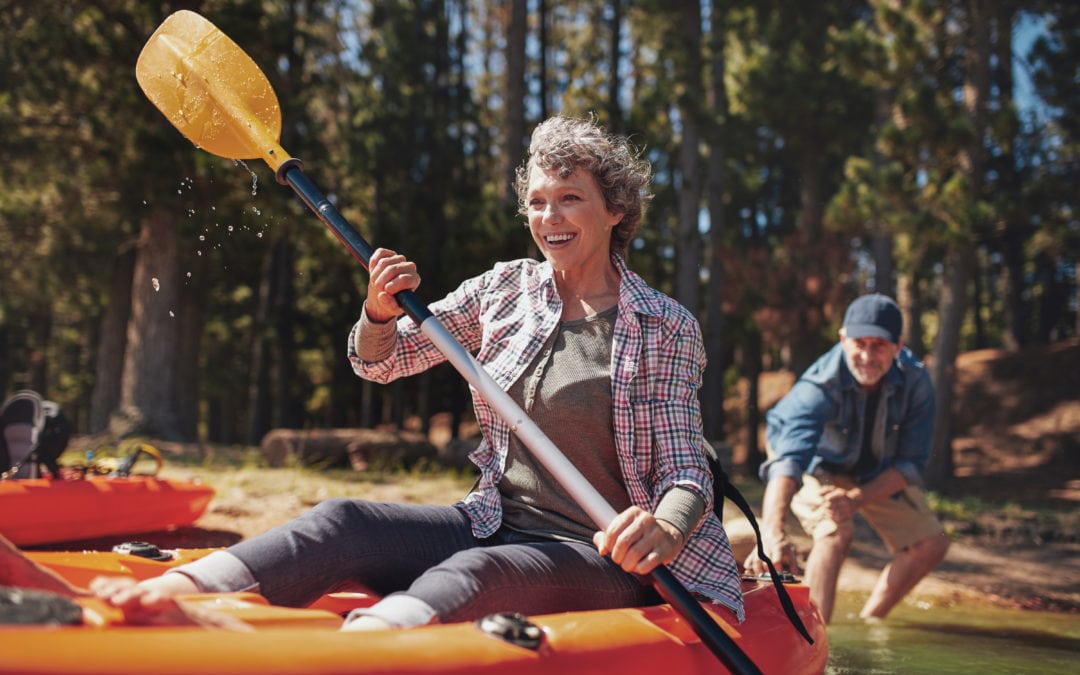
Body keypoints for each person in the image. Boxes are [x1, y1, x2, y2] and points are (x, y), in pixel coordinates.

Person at [3, 115, 743, 629]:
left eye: (570, 198)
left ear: (616, 207)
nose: (549, 218)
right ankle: (160, 597)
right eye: (537, 202)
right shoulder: (505, 289)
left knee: (474, 580)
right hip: (491, 518)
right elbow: (381, 364)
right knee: (342, 520)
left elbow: (686, 470)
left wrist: (667, 529)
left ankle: (365, 649)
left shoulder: (662, 325)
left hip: (598, 551)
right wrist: (381, 312)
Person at [743, 293, 950, 623]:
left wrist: (856, 499)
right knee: (835, 531)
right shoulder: (821, 383)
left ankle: (870, 623)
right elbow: (788, 461)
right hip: (813, 461)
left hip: (870, 469)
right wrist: (773, 532)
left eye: (879, 345)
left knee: (931, 543)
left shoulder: (917, 380)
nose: (867, 355)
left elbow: (910, 464)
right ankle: (814, 635)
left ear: (898, 345)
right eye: (859, 343)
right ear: (843, 339)